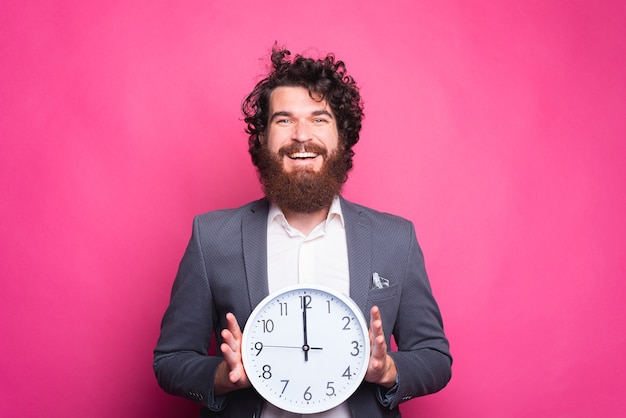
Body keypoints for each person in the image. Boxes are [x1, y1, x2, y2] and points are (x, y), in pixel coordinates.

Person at [153, 45, 452, 418]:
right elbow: (171, 360)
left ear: (342, 136)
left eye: (319, 119)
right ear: (262, 137)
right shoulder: (212, 237)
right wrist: (221, 376)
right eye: (283, 120)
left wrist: (388, 370)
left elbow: (435, 357)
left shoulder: (394, 238)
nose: (301, 136)